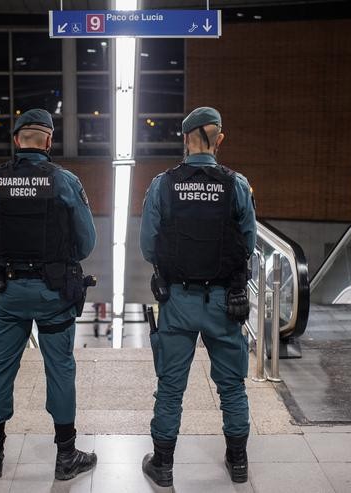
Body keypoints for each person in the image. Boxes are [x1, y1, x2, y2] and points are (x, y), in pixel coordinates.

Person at [0, 108, 98, 480]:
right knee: (60, 369)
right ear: (48, 141)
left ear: (16, 140)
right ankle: (66, 456)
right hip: (53, 293)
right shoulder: (64, 181)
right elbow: (87, 242)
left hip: (8, 292)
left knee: (0, 370)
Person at [139, 107, 256, 486]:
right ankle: (238, 462)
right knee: (232, 385)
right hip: (226, 302)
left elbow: (147, 245)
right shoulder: (236, 185)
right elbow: (249, 243)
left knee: (171, 386)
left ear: (185, 139)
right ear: (219, 139)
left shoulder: (163, 184)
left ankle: (163, 463)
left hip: (178, 301)